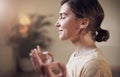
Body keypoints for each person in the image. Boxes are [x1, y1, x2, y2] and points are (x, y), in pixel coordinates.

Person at [30, 0, 112, 77]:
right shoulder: (76, 56)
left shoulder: (95, 65)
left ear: (83, 23)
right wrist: (48, 71)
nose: (56, 24)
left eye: (63, 17)